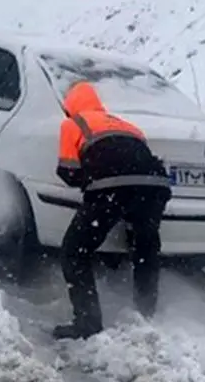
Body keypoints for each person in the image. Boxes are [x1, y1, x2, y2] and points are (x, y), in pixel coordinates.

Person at [53, 80, 172, 339]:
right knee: (145, 248)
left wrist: (90, 179)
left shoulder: (72, 124)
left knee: (74, 252)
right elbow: (137, 161)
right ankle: (146, 315)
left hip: (111, 187)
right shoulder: (127, 125)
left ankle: (88, 323)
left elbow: (67, 171)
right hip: (155, 187)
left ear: (70, 106)